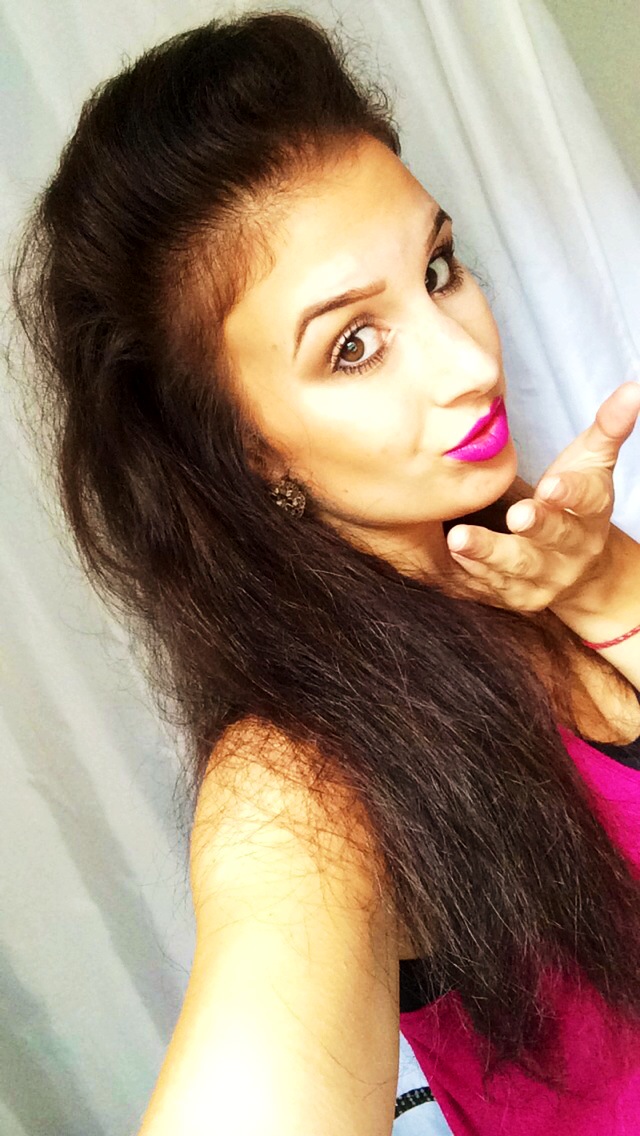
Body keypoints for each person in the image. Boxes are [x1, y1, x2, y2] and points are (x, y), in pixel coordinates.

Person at [7, 10, 640, 1135]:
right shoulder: (296, 777)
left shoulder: (533, 557)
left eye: (438, 269)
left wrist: (602, 582)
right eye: (353, 344)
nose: (468, 361)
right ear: (249, 454)